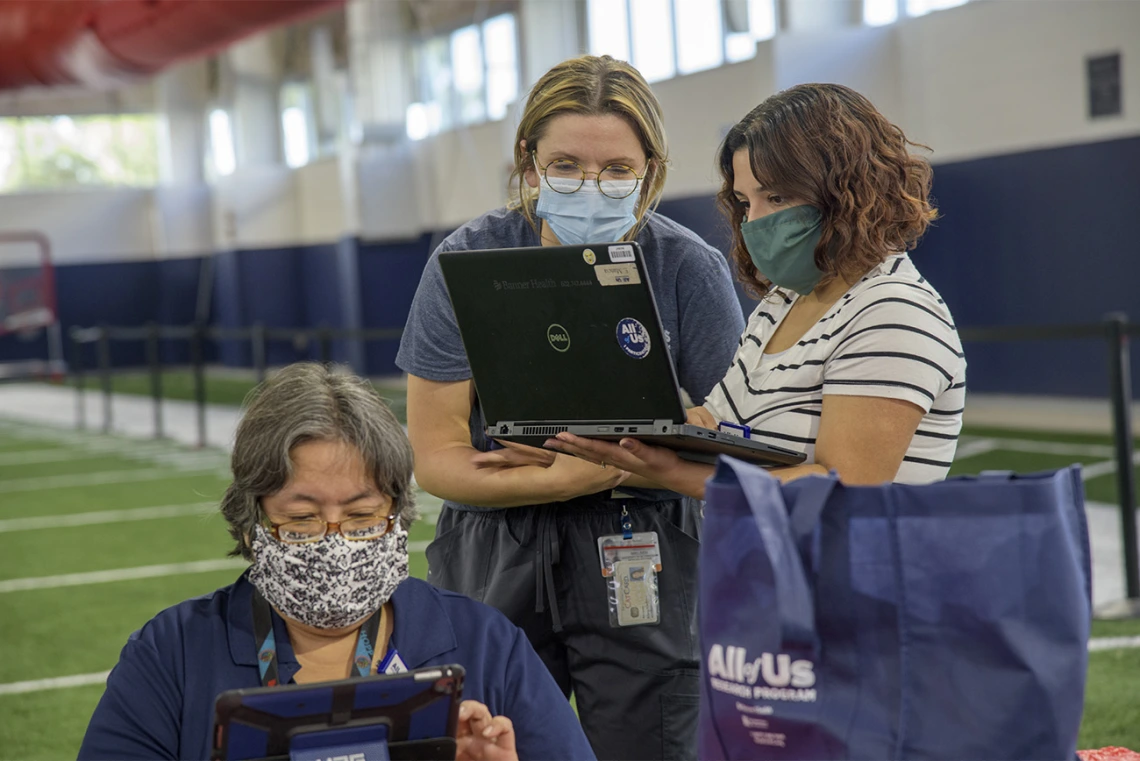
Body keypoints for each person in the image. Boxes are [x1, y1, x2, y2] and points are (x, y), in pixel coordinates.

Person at [397, 55, 745, 760]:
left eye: (617, 168)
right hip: (494, 545)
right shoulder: (466, 262)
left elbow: (730, 441)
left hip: (646, 546)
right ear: (529, 162)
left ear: (651, 168)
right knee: (489, 743)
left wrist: (600, 464)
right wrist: (574, 474)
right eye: (565, 164)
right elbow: (435, 460)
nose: (592, 186)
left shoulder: (687, 268)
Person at [77, 363, 595, 761]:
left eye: (362, 515)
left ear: (398, 512)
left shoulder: (484, 642)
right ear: (250, 522)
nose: (336, 542)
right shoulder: (174, 654)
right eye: (301, 519)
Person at [548, 83, 966, 494]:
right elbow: (720, 432)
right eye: (746, 202)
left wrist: (672, 470)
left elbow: (842, 488)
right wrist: (589, 449)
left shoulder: (892, 311)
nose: (753, 222)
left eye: (777, 197)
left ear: (849, 190)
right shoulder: (783, 301)